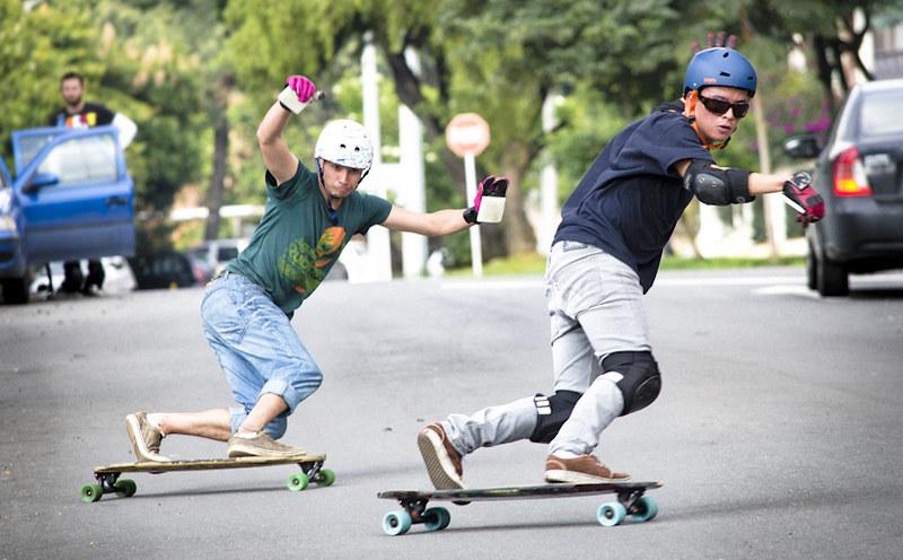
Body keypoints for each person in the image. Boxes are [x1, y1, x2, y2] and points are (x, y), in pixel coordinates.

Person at [417, 42, 824, 489]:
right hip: (598, 259)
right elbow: (710, 184)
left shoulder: (675, 136)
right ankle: (571, 454)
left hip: (571, 262)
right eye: (716, 103)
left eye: (739, 110)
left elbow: (708, 172)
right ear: (691, 99)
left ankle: (454, 435)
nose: (727, 116)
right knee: (636, 373)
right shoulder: (670, 128)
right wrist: (785, 182)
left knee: (568, 406)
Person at [123, 75, 508, 462]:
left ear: (363, 173)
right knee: (300, 370)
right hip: (239, 295)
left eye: (353, 171)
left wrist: (472, 214)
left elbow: (428, 223)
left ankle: (156, 424)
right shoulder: (296, 184)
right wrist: (287, 103)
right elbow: (267, 139)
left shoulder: (363, 207)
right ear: (321, 162)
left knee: (268, 422)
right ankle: (249, 436)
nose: (343, 178)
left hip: (252, 310)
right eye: (337, 167)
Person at [48, 71, 137, 295]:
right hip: (67, 182)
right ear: (62, 92)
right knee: (68, 224)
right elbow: (49, 150)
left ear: (82, 89)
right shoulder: (56, 119)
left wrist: (113, 152)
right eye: (67, 89)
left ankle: (95, 273)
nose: (71, 93)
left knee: (92, 223)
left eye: (74, 88)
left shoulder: (98, 113)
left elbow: (129, 128)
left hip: (95, 178)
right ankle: (72, 273)